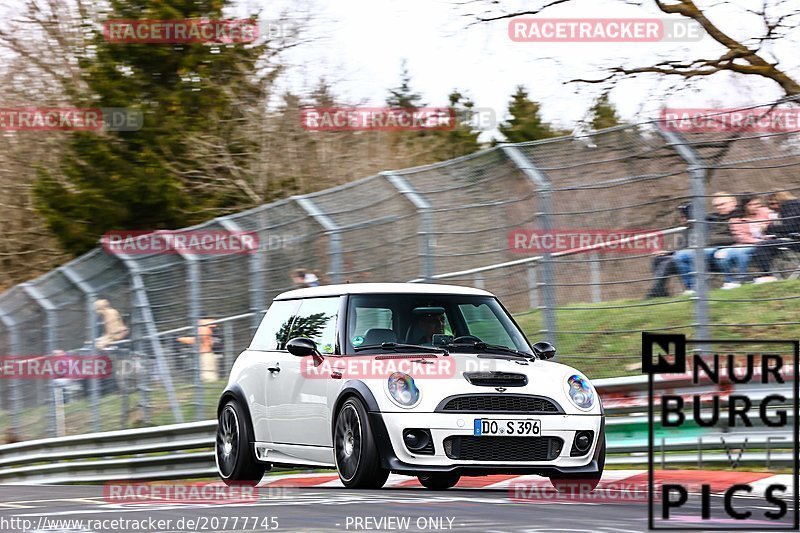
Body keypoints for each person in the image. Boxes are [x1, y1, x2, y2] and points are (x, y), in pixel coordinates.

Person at [673, 192, 740, 294]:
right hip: (709, 248)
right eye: (717, 205)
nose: (719, 207)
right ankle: (693, 288)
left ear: (733, 203)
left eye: (722, 204)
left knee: (686, 254)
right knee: (679, 256)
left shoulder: (739, 216)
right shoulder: (713, 218)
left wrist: (710, 240)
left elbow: (738, 237)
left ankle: (730, 282)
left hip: (727, 247)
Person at [714, 194, 774, 288]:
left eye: (758, 204)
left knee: (740, 252)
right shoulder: (736, 219)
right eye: (752, 204)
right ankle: (730, 281)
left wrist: (765, 231)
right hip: (746, 243)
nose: (756, 207)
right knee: (721, 255)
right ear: (745, 206)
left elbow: (775, 226)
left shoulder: (765, 212)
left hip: (763, 244)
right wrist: (756, 241)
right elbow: (741, 237)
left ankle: (743, 278)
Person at [751, 191, 800, 283]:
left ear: (779, 201)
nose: (772, 207)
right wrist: (776, 235)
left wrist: (768, 228)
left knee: (762, 246)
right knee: (769, 244)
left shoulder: (790, 207)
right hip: (795, 239)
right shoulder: (793, 206)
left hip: (797, 242)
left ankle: (767, 275)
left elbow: (790, 227)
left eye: (773, 204)